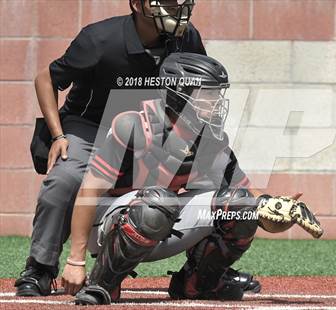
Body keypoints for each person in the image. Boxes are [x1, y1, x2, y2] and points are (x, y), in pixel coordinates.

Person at [60, 53, 321, 305]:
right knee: (158, 202)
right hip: (107, 224)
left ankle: (196, 284)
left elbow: (248, 200)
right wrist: (75, 260)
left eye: (218, 93)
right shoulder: (133, 125)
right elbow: (88, 192)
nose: (217, 101)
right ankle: (102, 284)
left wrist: (276, 211)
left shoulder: (211, 137)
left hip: (161, 215)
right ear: (177, 93)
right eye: (208, 93)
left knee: (242, 206)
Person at [15, 0, 207, 297]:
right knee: (64, 179)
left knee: (207, 173)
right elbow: (46, 78)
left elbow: (197, 87)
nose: (176, 8)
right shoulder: (100, 39)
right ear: (137, 4)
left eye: (179, 1)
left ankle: (208, 269)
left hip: (150, 128)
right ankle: (40, 267)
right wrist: (57, 136)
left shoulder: (188, 37)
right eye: (166, 1)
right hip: (91, 126)